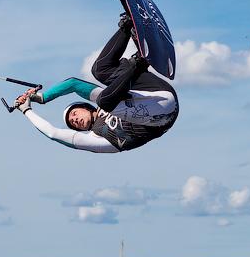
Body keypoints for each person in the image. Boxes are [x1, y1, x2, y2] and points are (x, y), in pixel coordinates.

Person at [15, 9, 178, 153]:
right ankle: (138, 62)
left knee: (100, 70)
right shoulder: (96, 138)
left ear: (85, 107)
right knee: (106, 101)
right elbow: (53, 133)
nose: (74, 120)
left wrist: (41, 98)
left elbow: (73, 84)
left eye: (74, 113)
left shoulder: (104, 103)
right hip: (164, 114)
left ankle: (128, 24)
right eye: (72, 124)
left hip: (158, 92)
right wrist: (26, 110)